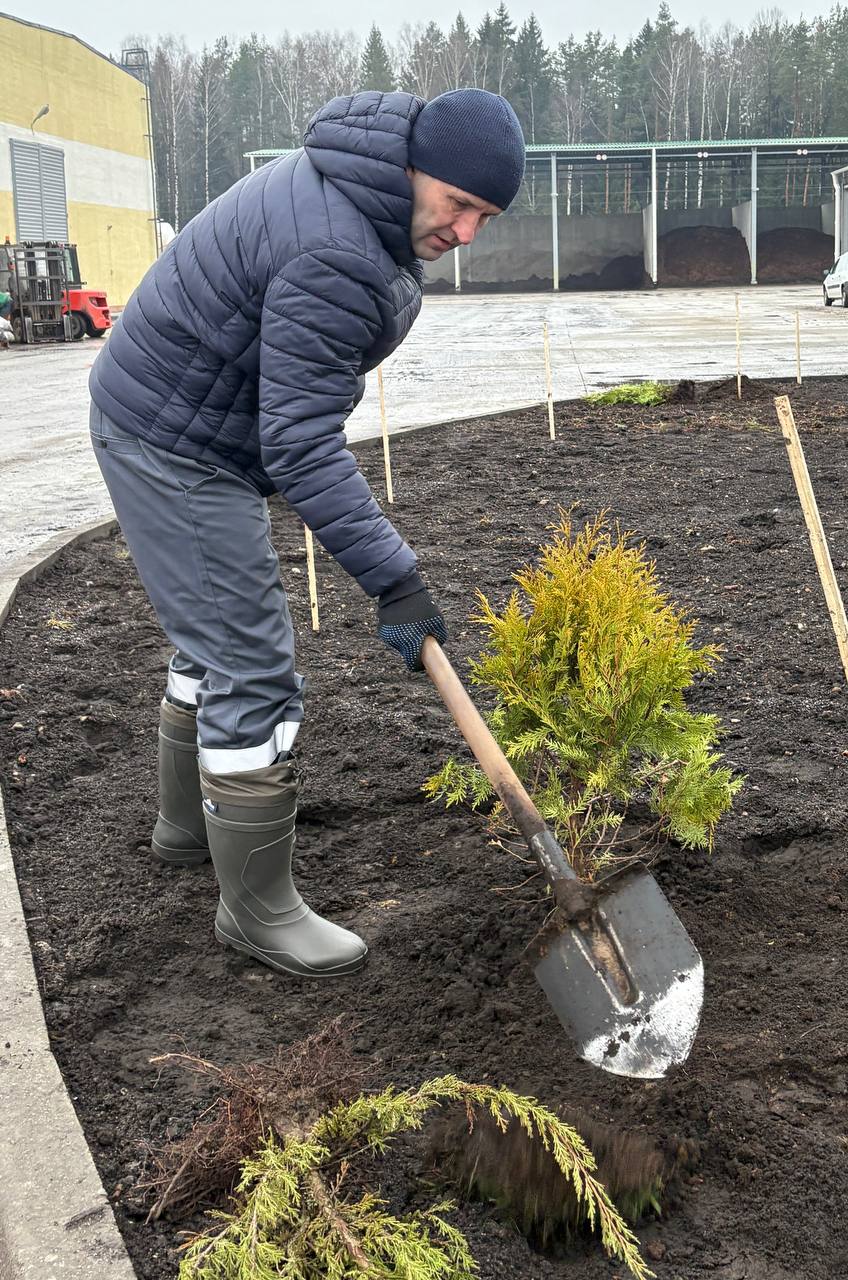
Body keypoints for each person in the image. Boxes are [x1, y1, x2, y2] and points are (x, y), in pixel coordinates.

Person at [88, 88, 526, 979]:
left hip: (178, 419)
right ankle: (258, 912)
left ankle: (185, 833)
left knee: (213, 634)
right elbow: (299, 440)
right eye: (459, 204)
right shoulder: (336, 249)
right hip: (175, 441)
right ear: (413, 170)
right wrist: (395, 579)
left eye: (486, 215)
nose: (467, 231)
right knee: (251, 663)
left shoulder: (355, 193)